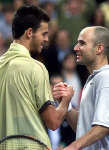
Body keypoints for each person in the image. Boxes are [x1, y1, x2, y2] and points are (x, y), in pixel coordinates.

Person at [0, 5, 74, 150]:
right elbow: (53, 122)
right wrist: (66, 100)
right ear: (29, 33)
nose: (47, 39)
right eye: (44, 34)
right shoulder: (36, 67)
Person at [53, 26, 109, 150]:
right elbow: (83, 126)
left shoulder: (107, 77)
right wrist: (65, 104)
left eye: (82, 43)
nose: (75, 48)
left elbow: (104, 126)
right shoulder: (94, 79)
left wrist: (73, 146)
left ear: (99, 48)